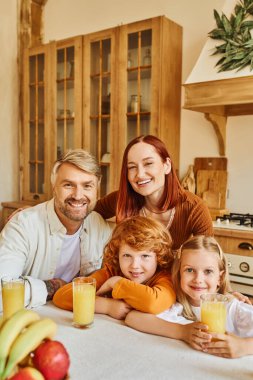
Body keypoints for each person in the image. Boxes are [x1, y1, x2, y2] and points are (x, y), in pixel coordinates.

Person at [0, 149, 112, 310]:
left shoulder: (99, 225)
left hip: (75, 318)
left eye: (87, 186)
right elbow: (2, 292)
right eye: (68, 185)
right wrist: (52, 287)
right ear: (54, 187)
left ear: (97, 190)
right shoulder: (23, 225)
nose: (78, 195)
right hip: (29, 320)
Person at [125, 235, 253, 358]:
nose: (198, 279)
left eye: (208, 271)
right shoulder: (174, 304)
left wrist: (244, 346)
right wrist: (182, 332)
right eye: (190, 270)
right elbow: (132, 318)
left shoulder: (232, 309)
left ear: (220, 277)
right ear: (179, 273)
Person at [94, 135, 213, 251]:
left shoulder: (194, 207)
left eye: (148, 163)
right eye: (132, 167)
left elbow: (207, 257)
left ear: (167, 165)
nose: (140, 174)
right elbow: (87, 213)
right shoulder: (122, 198)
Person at [53, 215, 176, 319]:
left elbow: (153, 303)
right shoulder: (112, 271)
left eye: (145, 256)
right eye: (127, 255)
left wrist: (117, 283)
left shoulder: (164, 277)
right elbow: (62, 296)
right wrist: (107, 306)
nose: (135, 265)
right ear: (117, 255)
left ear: (158, 256)